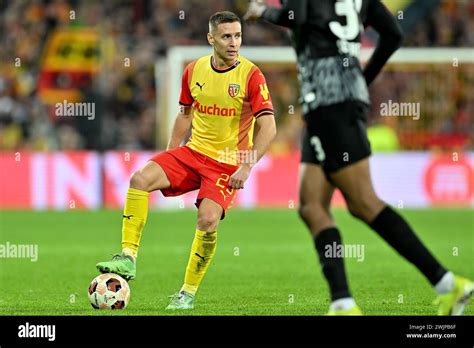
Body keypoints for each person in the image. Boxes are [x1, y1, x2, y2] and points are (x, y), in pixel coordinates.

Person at [244, 0, 472, 315]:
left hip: (328, 104)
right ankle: (342, 302)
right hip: (335, 104)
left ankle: (447, 282)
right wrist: (362, 79)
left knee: (364, 202)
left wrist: (263, 12)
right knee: (311, 205)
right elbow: (393, 33)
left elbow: (295, 16)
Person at [96, 11, 276, 310]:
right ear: (211, 38)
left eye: (238, 36)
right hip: (193, 153)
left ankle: (187, 293)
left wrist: (246, 166)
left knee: (207, 220)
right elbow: (185, 114)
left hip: (227, 163)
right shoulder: (193, 70)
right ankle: (128, 258)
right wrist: (170, 152)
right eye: (227, 36)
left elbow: (269, 126)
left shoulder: (251, 75)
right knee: (140, 179)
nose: (234, 43)